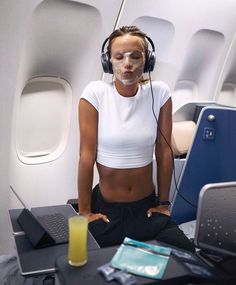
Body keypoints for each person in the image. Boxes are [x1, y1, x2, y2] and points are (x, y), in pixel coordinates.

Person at [77, 25, 195, 252]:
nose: (127, 64)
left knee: (191, 262)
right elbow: (86, 155)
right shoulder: (95, 93)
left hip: (148, 209)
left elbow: (163, 151)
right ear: (108, 61)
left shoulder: (159, 93)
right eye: (119, 57)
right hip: (107, 212)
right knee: (90, 270)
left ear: (147, 61)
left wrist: (163, 203)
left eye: (135, 56)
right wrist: (84, 212)